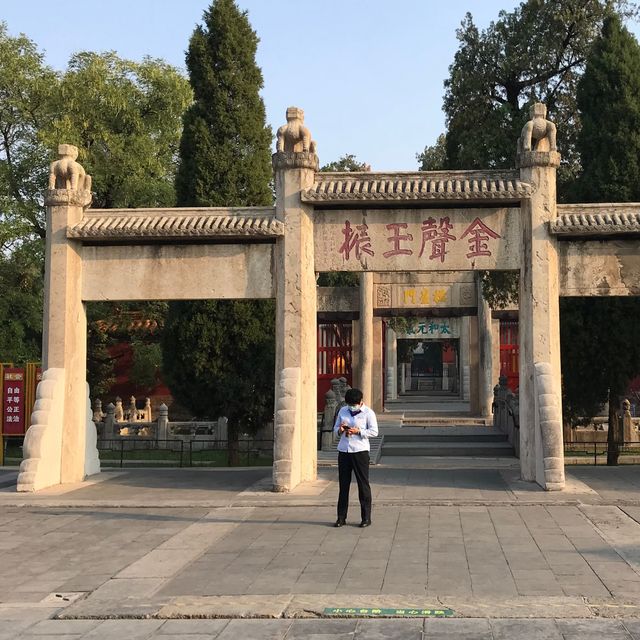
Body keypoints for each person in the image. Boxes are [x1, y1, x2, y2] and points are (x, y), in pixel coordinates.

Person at [333, 387, 378, 528]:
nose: (351, 407)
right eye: (349, 404)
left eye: (353, 404)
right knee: (343, 485)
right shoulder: (343, 411)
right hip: (344, 450)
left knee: (363, 484)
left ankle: (366, 517)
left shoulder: (368, 413)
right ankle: (341, 517)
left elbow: (374, 431)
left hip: (360, 451)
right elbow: (335, 429)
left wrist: (359, 431)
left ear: (360, 402)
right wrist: (340, 429)